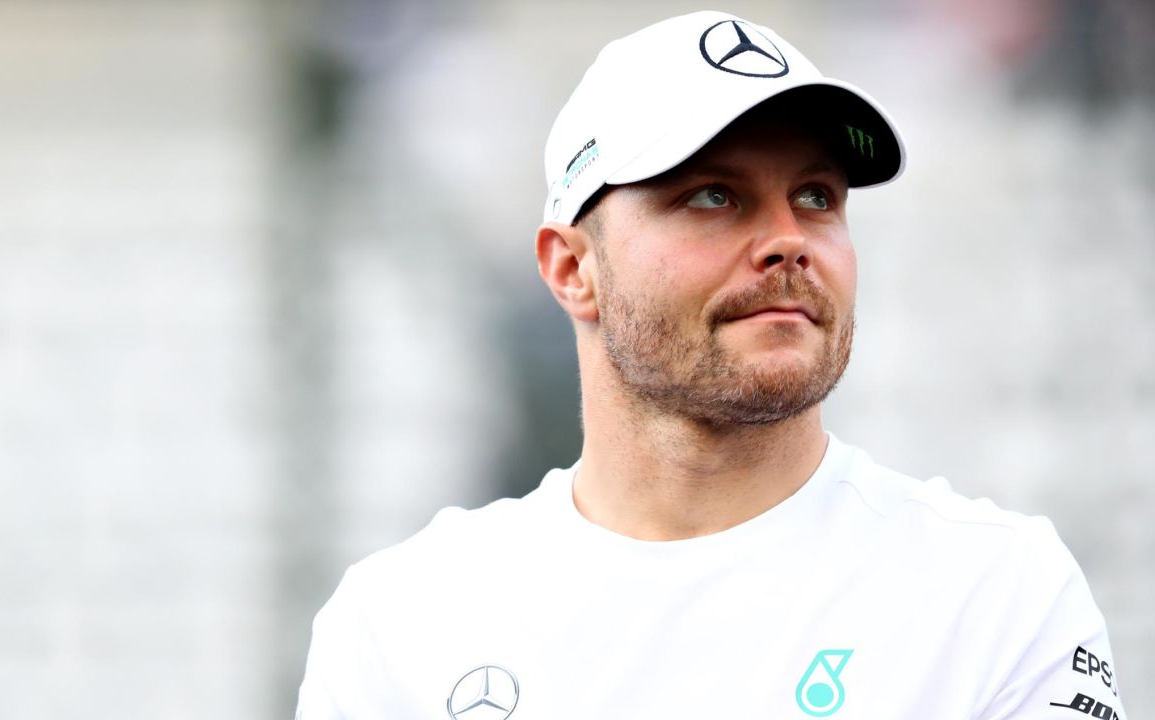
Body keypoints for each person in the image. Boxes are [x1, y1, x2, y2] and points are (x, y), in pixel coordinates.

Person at [296, 11, 1126, 719]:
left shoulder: (996, 594)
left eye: (817, 197)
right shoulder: (400, 623)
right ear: (571, 269)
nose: (788, 241)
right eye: (713, 196)